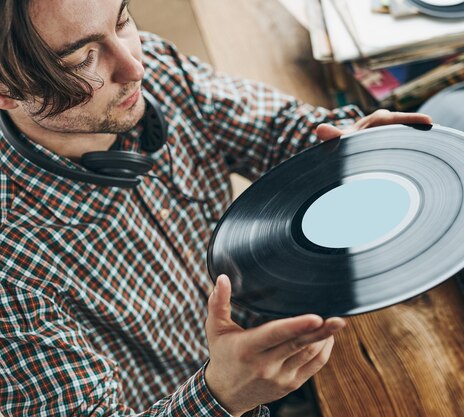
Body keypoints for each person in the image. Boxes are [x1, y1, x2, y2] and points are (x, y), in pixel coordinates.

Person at [0, 0, 432, 416]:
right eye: (82, 60)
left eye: (122, 20)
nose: (135, 67)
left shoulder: (152, 66)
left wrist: (347, 144)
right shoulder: (11, 273)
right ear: (6, 89)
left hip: (285, 333)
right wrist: (222, 396)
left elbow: (277, 129)